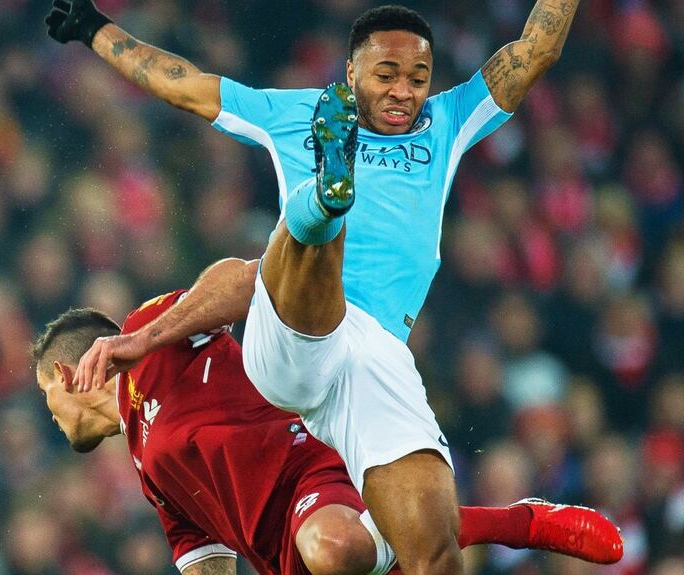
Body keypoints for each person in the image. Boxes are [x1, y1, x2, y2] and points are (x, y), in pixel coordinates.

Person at [47, 2, 584, 573]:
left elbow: (537, 50)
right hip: (289, 339)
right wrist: (94, 29)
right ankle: (325, 199)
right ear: (350, 74)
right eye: (386, 75)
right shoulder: (294, 113)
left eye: (418, 79)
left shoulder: (450, 122)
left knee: (434, 556)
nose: (404, 91)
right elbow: (182, 85)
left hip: (374, 361)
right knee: (298, 246)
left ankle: (513, 520)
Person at [31, 290, 623, 575]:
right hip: (284, 563)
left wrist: (136, 341)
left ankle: (519, 521)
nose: (48, 415)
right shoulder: (146, 470)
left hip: (311, 468)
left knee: (335, 548)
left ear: (65, 374)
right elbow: (197, 552)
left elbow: (241, 279)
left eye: (44, 395)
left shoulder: (145, 335)